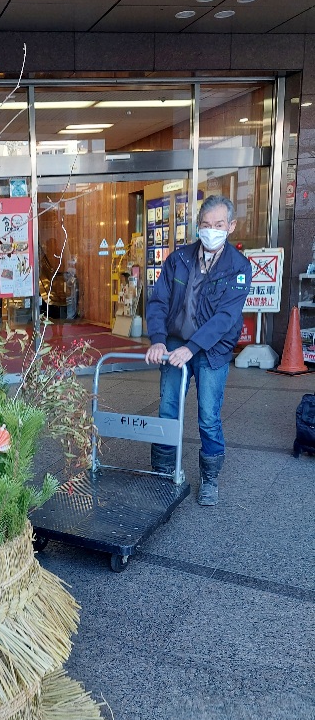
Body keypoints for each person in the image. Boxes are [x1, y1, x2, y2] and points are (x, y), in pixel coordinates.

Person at [145, 195, 251, 505]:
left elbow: (225, 319)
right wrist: (158, 339)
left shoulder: (238, 267)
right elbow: (159, 301)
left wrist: (192, 348)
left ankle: (210, 477)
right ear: (197, 226)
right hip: (176, 342)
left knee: (208, 415)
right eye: (205, 225)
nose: (211, 230)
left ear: (230, 226)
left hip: (213, 349)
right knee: (168, 407)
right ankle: (163, 471)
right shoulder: (179, 259)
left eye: (219, 225)